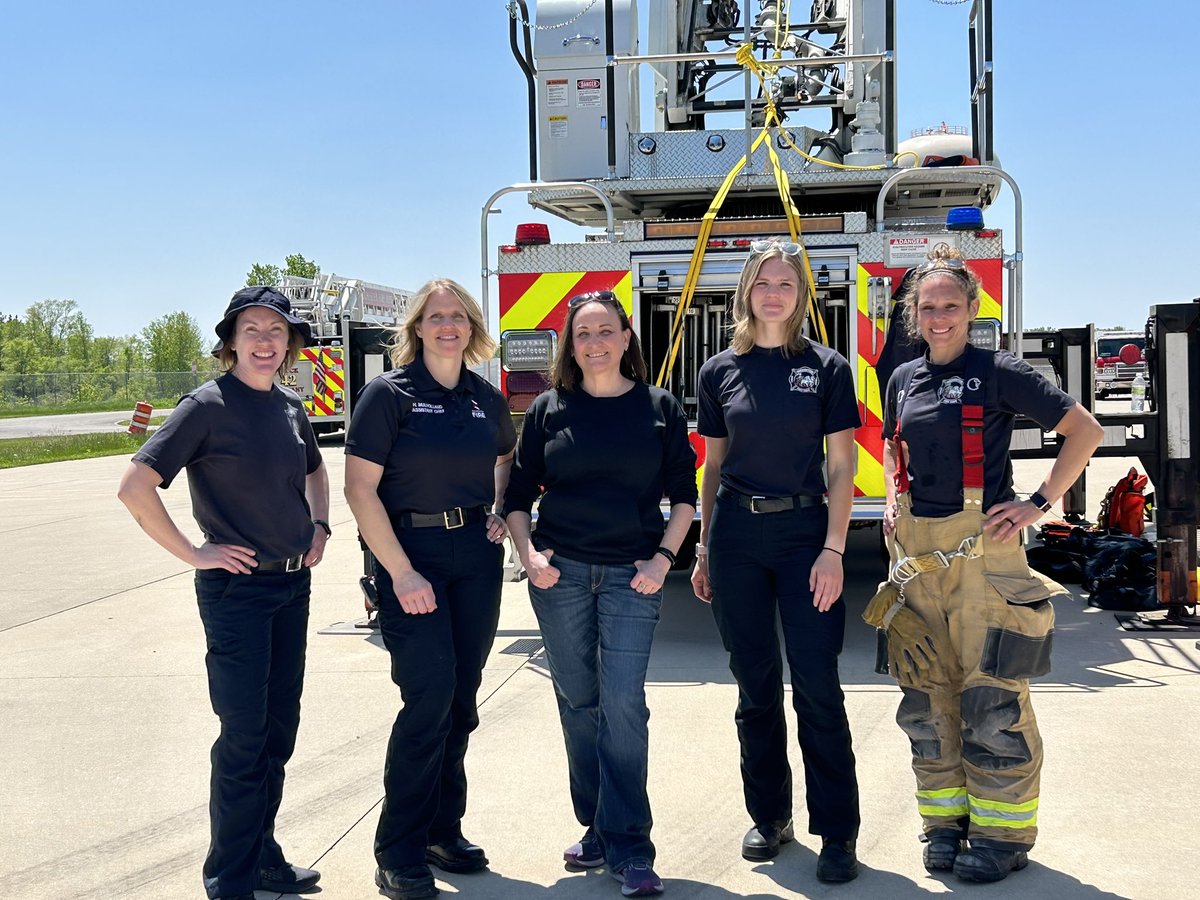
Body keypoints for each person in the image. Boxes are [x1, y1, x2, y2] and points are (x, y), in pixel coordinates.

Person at [878, 245, 1103, 883]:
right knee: (926, 700)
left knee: (991, 701)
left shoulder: (999, 370)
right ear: (913, 314)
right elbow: (898, 454)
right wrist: (895, 507)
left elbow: (1083, 430)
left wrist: (1037, 503)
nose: (939, 315)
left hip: (984, 556)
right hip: (919, 562)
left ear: (972, 308)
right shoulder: (902, 378)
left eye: (951, 304)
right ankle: (945, 824)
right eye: (928, 306)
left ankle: (1003, 836)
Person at [117, 285, 330, 900]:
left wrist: (318, 526)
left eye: (277, 331)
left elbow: (315, 471)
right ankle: (229, 878)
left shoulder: (290, 407)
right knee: (243, 734)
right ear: (231, 343)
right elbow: (136, 485)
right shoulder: (206, 406)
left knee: (278, 730)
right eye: (253, 330)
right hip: (237, 593)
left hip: (293, 588)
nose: (266, 342)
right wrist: (195, 552)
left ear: (289, 344)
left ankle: (262, 856)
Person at [503, 290, 696, 898]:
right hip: (559, 579)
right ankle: (598, 825)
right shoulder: (549, 410)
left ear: (626, 337)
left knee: (623, 705)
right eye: (583, 334)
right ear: (571, 344)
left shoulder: (660, 407)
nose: (594, 344)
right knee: (578, 702)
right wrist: (527, 554)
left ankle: (631, 846)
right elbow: (515, 498)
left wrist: (664, 558)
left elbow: (684, 498)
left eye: (605, 331)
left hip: (632, 579)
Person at [690, 239, 862, 884]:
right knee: (755, 688)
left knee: (817, 686)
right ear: (746, 292)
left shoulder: (825, 367)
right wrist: (705, 547)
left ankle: (838, 831)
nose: (774, 293)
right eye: (764, 282)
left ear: (801, 295)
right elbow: (712, 465)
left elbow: (842, 464)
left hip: (803, 534)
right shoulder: (719, 370)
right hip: (735, 536)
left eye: (786, 284)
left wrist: (834, 549)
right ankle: (769, 817)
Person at [343, 278, 515, 900]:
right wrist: (400, 571)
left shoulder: (484, 398)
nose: (448, 326)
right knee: (427, 700)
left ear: (472, 329)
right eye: (436, 317)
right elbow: (360, 490)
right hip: (410, 555)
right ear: (417, 327)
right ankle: (398, 848)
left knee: (461, 698)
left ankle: (445, 828)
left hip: (474, 555)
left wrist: (497, 508)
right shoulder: (388, 395)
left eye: (459, 317)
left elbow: (505, 460)